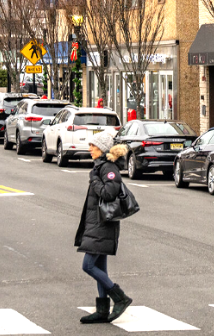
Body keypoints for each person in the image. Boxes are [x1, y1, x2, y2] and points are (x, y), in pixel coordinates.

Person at [75, 131, 133, 324]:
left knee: (88, 265)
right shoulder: (100, 166)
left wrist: (95, 180)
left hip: (103, 224)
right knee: (100, 267)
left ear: (102, 148)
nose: (89, 148)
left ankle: (120, 298)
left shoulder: (108, 168)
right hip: (97, 223)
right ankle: (102, 310)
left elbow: (109, 193)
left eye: (93, 145)